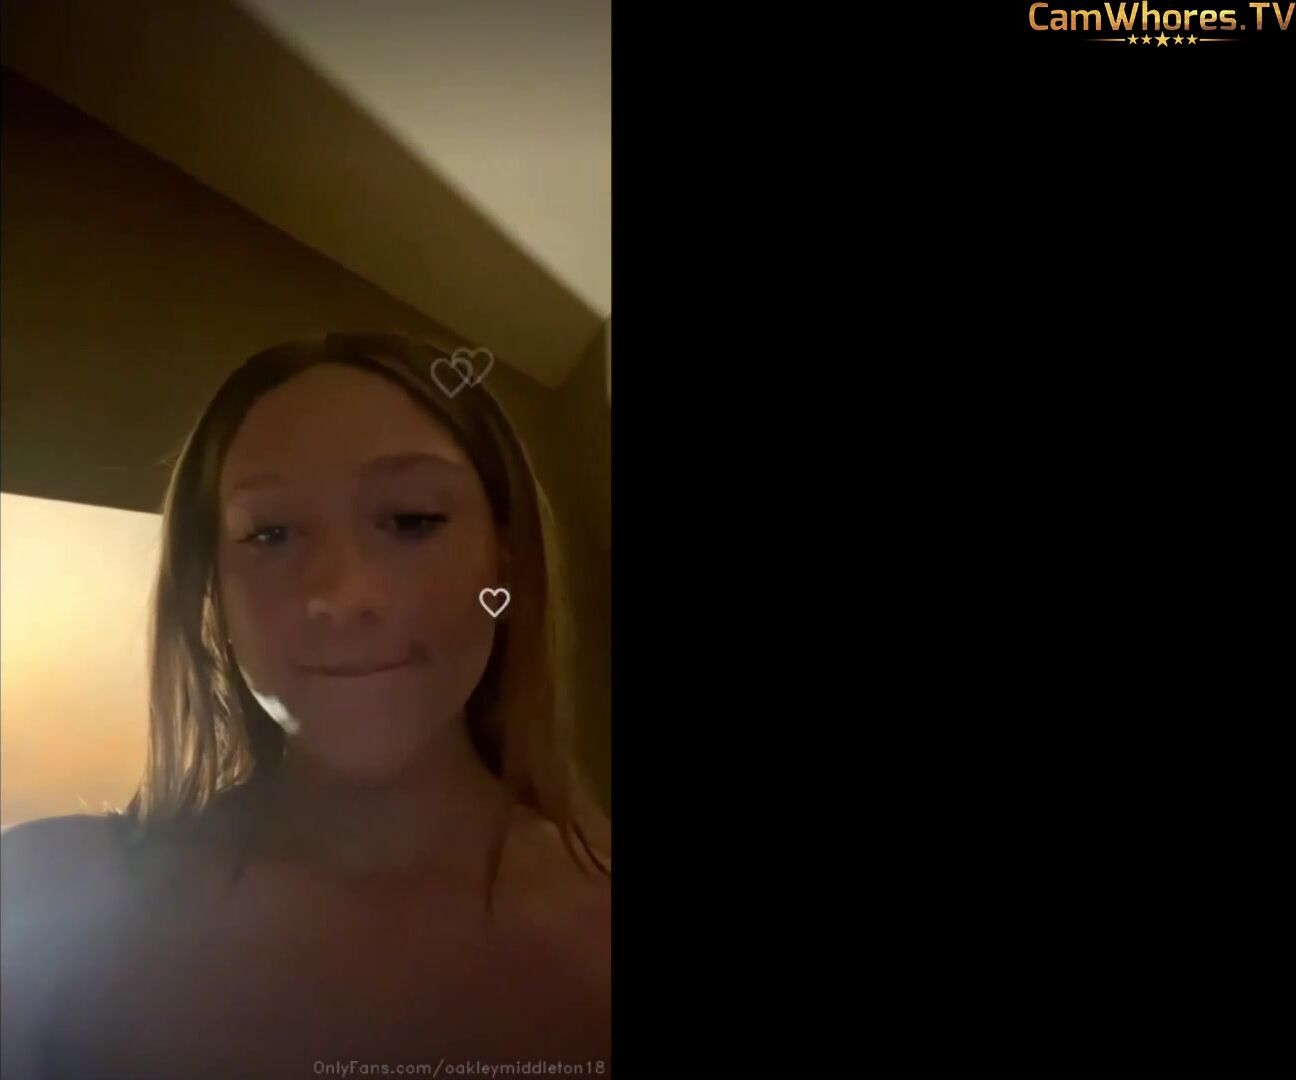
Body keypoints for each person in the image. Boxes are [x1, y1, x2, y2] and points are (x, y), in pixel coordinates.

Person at [0, 332, 611, 1079]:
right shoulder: (43, 911)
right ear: (212, 592)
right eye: (271, 533)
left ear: (504, 563)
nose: (343, 596)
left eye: (412, 520)